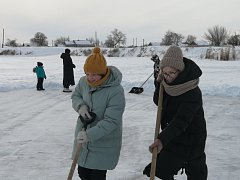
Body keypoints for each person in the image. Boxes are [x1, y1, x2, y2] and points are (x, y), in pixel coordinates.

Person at [143, 46, 208, 180]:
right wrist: (158, 84)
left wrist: (161, 140)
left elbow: (181, 120)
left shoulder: (192, 91)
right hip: (173, 136)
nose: (168, 77)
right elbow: (158, 102)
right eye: (165, 73)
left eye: (171, 73)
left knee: (195, 172)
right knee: (159, 169)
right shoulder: (166, 84)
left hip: (192, 139)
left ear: (180, 71)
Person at [71, 47, 125, 180]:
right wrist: (80, 106)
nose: (90, 78)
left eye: (94, 74)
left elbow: (112, 120)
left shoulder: (115, 90)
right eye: (88, 73)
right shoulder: (84, 82)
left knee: (96, 176)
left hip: (103, 141)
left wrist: (90, 135)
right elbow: (76, 95)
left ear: (103, 73)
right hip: (83, 137)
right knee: (83, 173)